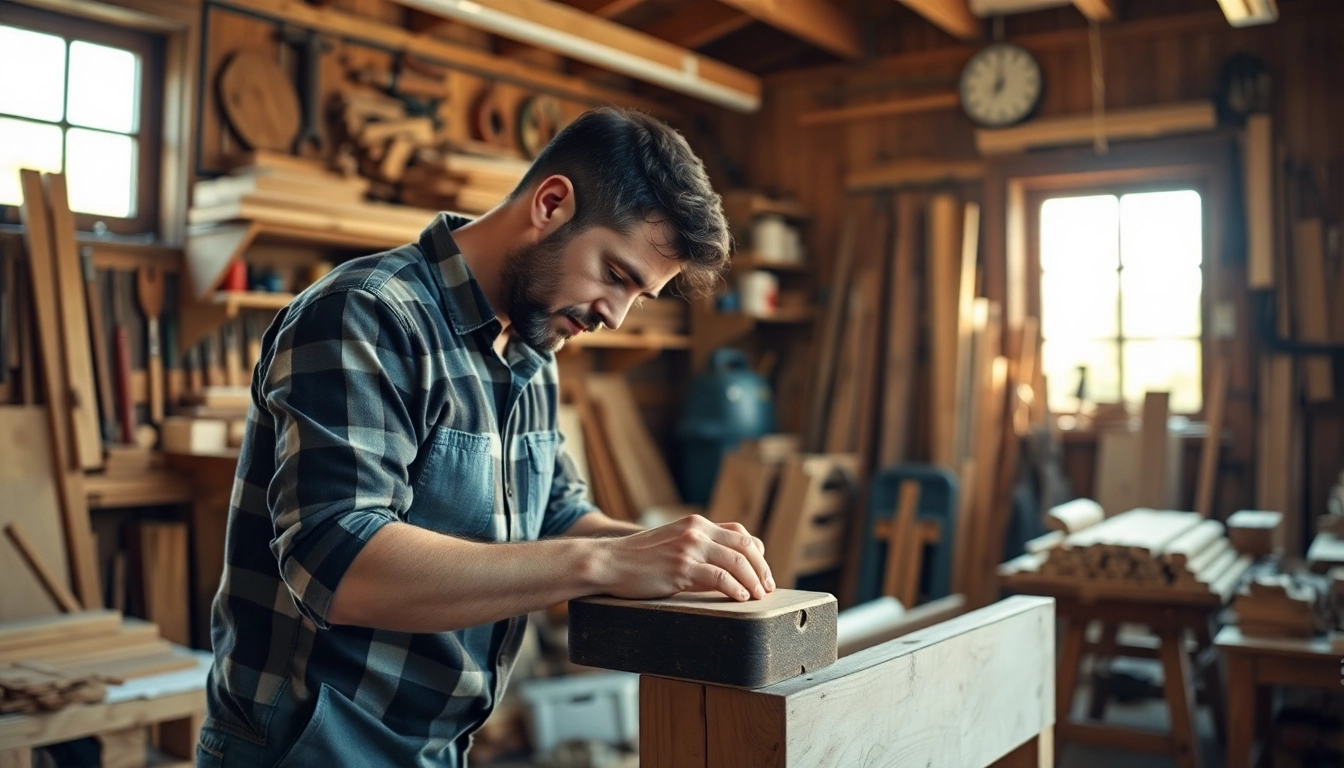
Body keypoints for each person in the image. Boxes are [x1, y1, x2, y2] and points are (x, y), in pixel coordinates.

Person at [197, 107, 774, 767]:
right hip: (311, 748)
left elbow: (557, 516)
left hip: (438, 747)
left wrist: (678, 556)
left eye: (639, 296)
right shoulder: (367, 315)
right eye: (616, 275)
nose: (614, 317)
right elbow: (337, 564)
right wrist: (609, 563)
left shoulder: (532, 346)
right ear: (551, 204)